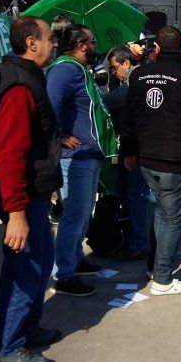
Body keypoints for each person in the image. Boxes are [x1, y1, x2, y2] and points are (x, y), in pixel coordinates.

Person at [0, 16, 62, 362]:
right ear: (31, 43)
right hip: (22, 197)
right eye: (49, 38)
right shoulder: (17, 85)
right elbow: (9, 153)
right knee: (24, 269)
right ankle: (8, 346)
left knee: (40, 263)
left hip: (34, 191)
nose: (54, 43)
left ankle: (27, 327)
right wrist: (15, 213)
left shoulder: (26, 77)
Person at [119, 26, 181, 295]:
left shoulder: (139, 75)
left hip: (147, 158)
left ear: (158, 49)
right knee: (173, 218)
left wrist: (129, 152)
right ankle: (163, 280)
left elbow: (128, 120)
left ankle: (154, 266)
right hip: (177, 159)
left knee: (162, 214)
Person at [48, 19, 117, 297]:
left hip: (88, 153)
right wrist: (61, 134)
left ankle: (74, 260)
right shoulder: (65, 70)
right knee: (75, 214)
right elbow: (48, 104)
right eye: (92, 42)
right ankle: (62, 274)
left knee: (83, 211)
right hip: (74, 156)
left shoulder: (80, 70)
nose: (95, 46)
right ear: (80, 46)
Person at [102, 45, 151, 259]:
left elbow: (108, 101)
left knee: (135, 195)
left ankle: (139, 242)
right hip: (134, 147)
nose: (113, 72)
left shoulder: (134, 81)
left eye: (114, 67)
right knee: (126, 193)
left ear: (127, 63)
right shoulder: (135, 78)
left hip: (136, 148)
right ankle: (129, 237)